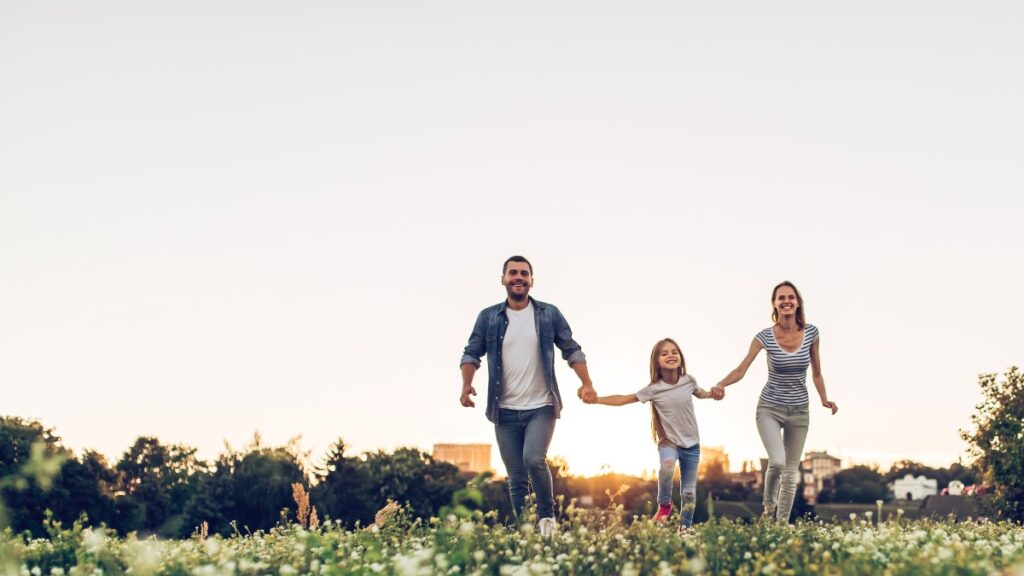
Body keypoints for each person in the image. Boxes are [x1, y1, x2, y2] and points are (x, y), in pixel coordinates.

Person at [459, 255, 597, 537]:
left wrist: (587, 383)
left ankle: (547, 520)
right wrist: (466, 384)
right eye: (513, 273)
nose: (518, 277)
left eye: (524, 273)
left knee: (534, 459)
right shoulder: (488, 318)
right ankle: (525, 530)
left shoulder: (548, 314)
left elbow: (571, 349)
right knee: (516, 478)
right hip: (504, 410)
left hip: (541, 406)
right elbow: (471, 353)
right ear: (503, 279)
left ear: (532, 280)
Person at [710, 281, 838, 523]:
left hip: (799, 412)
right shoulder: (764, 337)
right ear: (775, 304)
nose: (786, 301)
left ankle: (779, 528)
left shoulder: (812, 333)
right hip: (770, 408)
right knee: (777, 462)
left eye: (791, 297)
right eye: (781, 298)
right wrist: (721, 384)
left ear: (798, 302)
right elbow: (741, 369)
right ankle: (768, 509)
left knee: (791, 474)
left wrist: (824, 398)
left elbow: (817, 373)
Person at [586, 338, 717, 532]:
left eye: (674, 352)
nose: (671, 355)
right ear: (656, 362)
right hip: (668, 442)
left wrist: (714, 393)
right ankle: (664, 504)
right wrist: (597, 400)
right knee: (667, 467)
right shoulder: (653, 389)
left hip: (692, 445)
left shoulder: (688, 381)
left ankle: (685, 529)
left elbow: (702, 393)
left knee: (688, 492)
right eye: (664, 353)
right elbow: (624, 399)